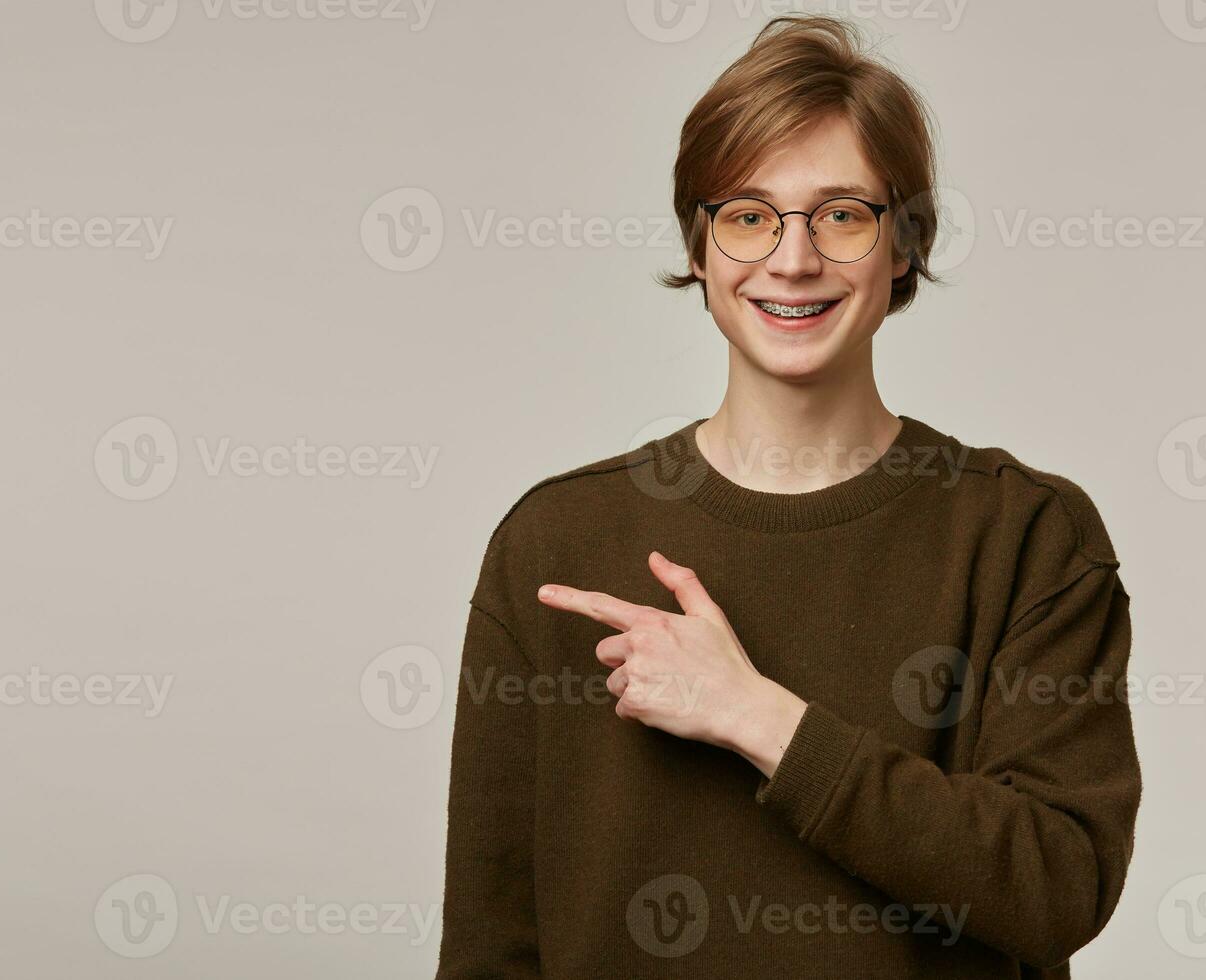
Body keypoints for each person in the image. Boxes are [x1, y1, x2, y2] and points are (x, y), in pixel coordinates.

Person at [434, 13, 1141, 979]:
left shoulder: (1025, 536)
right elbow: (490, 944)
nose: (793, 258)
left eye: (842, 213)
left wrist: (760, 719)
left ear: (903, 245)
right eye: (749, 214)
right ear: (700, 248)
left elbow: (1061, 885)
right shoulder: (553, 544)